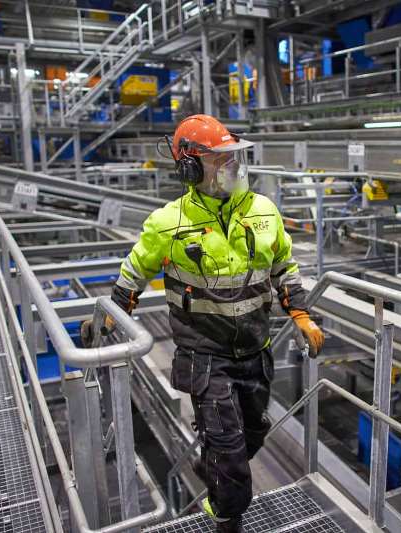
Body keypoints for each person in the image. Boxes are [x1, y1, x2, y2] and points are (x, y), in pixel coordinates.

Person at [81, 114, 325, 532]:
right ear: (191, 167)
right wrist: (107, 315)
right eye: (220, 161)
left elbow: (284, 264)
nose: (232, 169)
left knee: (253, 432)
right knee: (231, 457)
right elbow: (133, 272)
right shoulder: (167, 223)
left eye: (234, 159)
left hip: (255, 349)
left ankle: (209, 463)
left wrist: (299, 312)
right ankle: (227, 518)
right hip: (205, 358)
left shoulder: (263, 211)